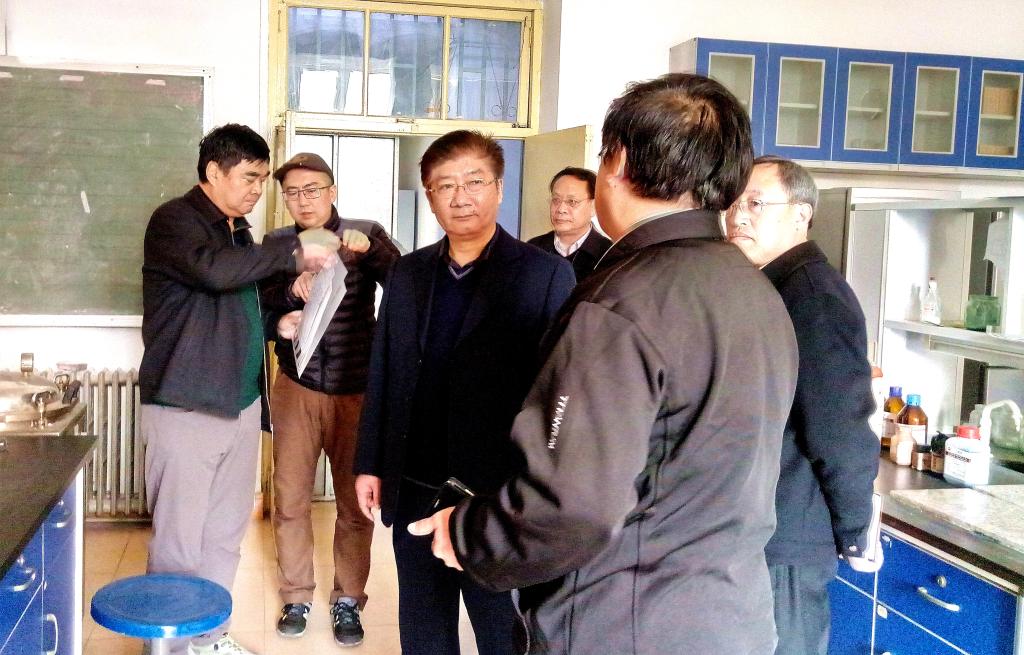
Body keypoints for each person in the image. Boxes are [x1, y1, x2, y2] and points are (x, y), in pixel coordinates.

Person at [410, 74, 799, 654]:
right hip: (729, 617)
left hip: (627, 621)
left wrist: (469, 535)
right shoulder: (754, 289)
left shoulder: (621, 302)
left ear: (616, 164)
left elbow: (572, 505)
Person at [354, 130, 575, 655]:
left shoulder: (545, 274)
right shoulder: (408, 273)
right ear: (429, 197)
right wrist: (370, 463)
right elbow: (384, 369)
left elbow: (559, 392)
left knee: (502, 632)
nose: (460, 196)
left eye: (474, 182)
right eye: (445, 185)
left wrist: (541, 491)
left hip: (496, 496)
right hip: (416, 482)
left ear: (498, 187)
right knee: (424, 630)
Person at [139, 124, 338, 655]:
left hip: (241, 405)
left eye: (262, 179)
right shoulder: (175, 221)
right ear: (213, 171)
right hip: (186, 404)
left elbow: (237, 304)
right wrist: (295, 251)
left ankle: (208, 637)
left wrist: (278, 323)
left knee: (225, 534)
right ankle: (170, 647)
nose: (257, 190)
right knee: (180, 542)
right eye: (249, 177)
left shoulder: (239, 233)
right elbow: (213, 272)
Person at [725, 155, 882, 655]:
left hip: (788, 539)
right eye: (734, 203)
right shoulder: (766, 285)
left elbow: (839, 428)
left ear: (800, 214)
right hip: (754, 531)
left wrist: (856, 530)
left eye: (756, 203)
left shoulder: (814, 295)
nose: (739, 216)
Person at [260, 153, 400, 646]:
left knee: (355, 503)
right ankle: (296, 595)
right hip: (296, 386)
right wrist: (288, 293)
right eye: (293, 193)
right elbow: (256, 303)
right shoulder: (277, 242)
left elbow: (406, 284)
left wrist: (374, 251)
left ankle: (348, 600)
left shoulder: (365, 232)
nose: (303, 200)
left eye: (313, 189)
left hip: (356, 390)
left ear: (332, 191)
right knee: (290, 498)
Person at [526, 167, 611, 281]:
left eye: (572, 202)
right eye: (556, 200)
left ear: (594, 207)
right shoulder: (533, 247)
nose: (561, 209)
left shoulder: (608, 254)